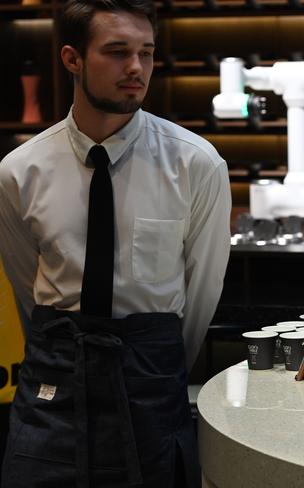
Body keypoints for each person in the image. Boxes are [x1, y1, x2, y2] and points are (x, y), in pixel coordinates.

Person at [0, 0, 231, 486]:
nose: (136, 68)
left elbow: (203, 290)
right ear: (72, 59)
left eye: (146, 53)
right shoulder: (20, 171)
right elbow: (27, 288)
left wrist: (152, 362)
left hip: (149, 382)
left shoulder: (196, 165)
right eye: (117, 51)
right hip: (54, 380)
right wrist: (61, 347)